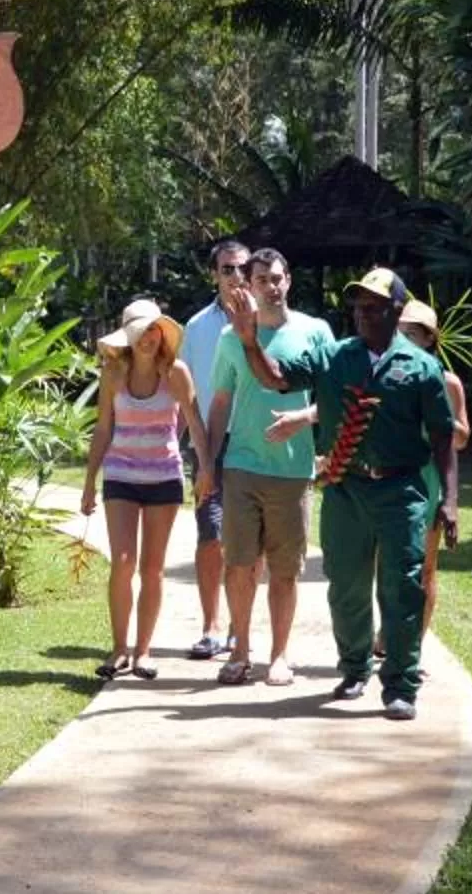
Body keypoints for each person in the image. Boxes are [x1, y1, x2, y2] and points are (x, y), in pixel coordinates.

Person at [226, 267, 459, 722]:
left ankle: (400, 685)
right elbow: (276, 378)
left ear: (396, 310)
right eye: (358, 305)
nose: (363, 313)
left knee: (402, 586)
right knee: (347, 586)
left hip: (401, 490)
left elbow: (442, 438)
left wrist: (449, 500)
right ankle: (354, 669)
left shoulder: (421, 367)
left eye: (374, 306)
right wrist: (250, 342)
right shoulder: (334, 357)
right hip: (346, 489)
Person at [202, 247, 334, 686]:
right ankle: (240, 650)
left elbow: (336, 397)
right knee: (239, 564)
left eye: (277, 278)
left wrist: (305, 420)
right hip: (241, 466)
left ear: (288, 280)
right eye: (262, 280)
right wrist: (208, 463)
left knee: (284, 570)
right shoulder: (231, 338)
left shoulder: (316, 332)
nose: (271, 287)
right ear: (250, 285)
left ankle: (279, 655)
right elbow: (220, 404)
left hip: (294, 472)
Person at [79, 298, 211, 681]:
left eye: (153, 329)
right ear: (127, 337)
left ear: (161, 334)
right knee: (123, 563)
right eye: (140, 331)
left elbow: (194, 422)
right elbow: (103, 428)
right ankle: (119, 649)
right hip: (120, 474)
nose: (148, 338)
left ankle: (143, 651)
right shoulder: (113, 373)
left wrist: (205, 469)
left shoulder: (176, 373)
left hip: (163, 477)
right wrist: (89, 482)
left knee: (152, 568)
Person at [178, 239, 251, 661]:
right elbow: (184, 392)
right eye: (227, 269)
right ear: (215, 275)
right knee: (210, 534)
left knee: (252, 542)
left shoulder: (266, 320)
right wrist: (178, 445)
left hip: (256, 442)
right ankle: (211, 627)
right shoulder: (197, 327)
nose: (236, 276)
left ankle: (242, 629)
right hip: (209, 444)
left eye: (242, 268)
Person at [407, 304, 472, 641]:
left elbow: (461, 439)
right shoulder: (386, 377)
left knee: (426, 565)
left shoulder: (448, 382)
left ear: (429, 339)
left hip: (430, 480)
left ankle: (415, 642)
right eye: (398, 333)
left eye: (411, 334)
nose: (403, 341)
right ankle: (389, 633)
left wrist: (437, 417)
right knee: (388, 565)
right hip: (392, 479)